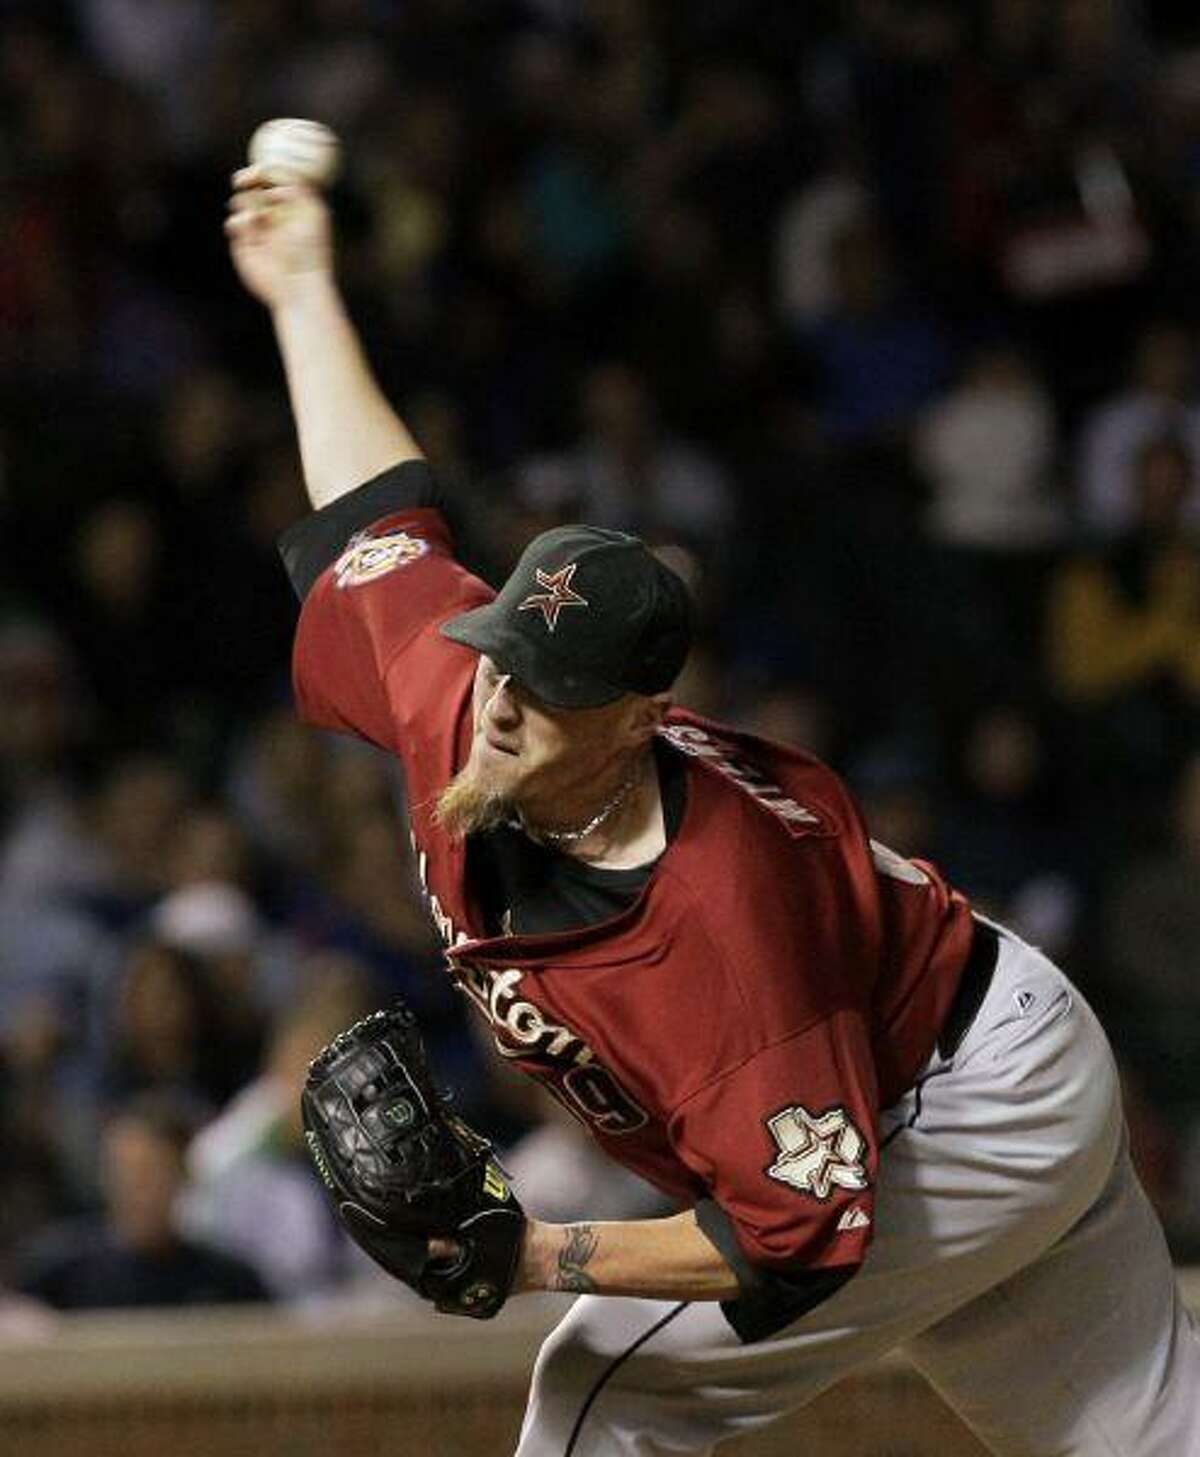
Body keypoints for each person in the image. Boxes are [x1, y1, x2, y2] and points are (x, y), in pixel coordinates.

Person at [225, 168, 1199, 1456]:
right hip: (955, 1036)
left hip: (958, 1107)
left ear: (639, 718)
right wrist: (300, 287)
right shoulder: (461, 687)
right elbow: (371, 516)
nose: (506, 702)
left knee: (602, 1397)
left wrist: (530, 1253)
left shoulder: (722, 921)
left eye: (553, 689)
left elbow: (789, 1245)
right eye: (507, 656)